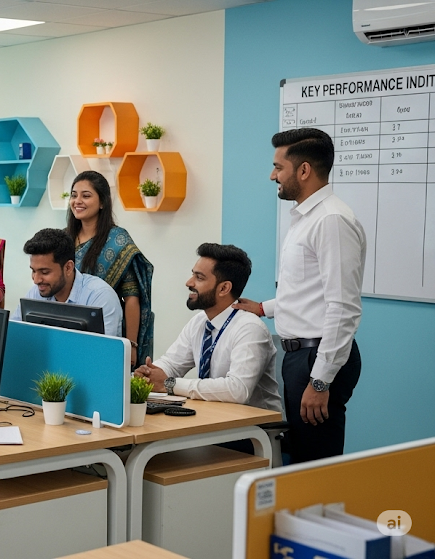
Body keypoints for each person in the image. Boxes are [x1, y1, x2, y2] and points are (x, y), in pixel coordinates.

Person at [234, 128, 365, 463]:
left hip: (318, 358)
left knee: (315, 463)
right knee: (301, 457)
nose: (272, 175)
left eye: (278, 167)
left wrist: (320, 382)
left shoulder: (331, 220)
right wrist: (264, 308)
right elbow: (310, 290)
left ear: (304, 170)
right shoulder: (307, 218)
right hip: (302, 356)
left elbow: (342, 307)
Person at [134, 243, 281, 412]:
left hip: (254, 425)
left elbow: (238, 390)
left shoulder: (250, 328)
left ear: (224, 288)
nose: (189, 283)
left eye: (199, 278)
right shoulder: (199, 322)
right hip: (214, 417)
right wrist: (150, 373)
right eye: (193, 275)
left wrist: (170, 384)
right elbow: (172, 363)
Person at [66, 170, 154, 366]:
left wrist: (130, 345)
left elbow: (132, 297)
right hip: (66, 325)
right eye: (74, 195)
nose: (77, 201)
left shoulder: (117, 240)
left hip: (105, 328)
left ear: (102, 202)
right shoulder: (64, 238)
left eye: (86, 196)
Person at [10, 228, 123, 337]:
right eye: (33, 271)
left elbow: (102, 348)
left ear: (68, 268)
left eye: (44, 272)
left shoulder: (100, 296)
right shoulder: (35, 293)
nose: (36, 280)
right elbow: (13, 335)